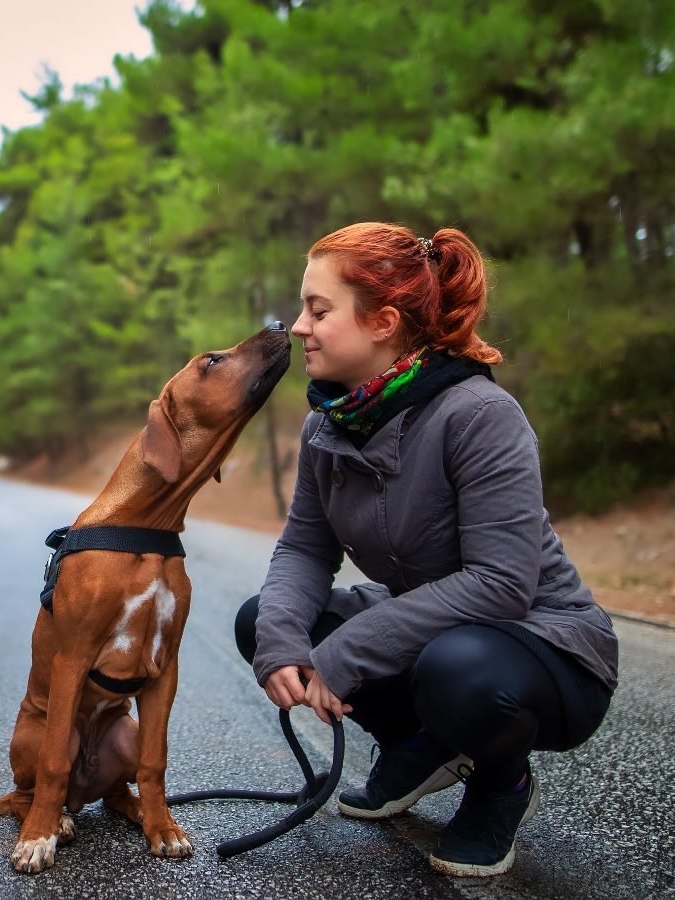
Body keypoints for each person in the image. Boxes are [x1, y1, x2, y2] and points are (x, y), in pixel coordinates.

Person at [234, 222, 618, 878]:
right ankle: (418, 743)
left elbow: (501, 584)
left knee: (456, 668)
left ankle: (503, 787)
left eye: (318, 310)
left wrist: (348, 651)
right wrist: (282, 643)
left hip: (544, 648)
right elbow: (304, 546)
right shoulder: (329, 421)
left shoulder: (478, 415)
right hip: (438, 634)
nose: (299, 326)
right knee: (263, 618)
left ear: (383, 322)